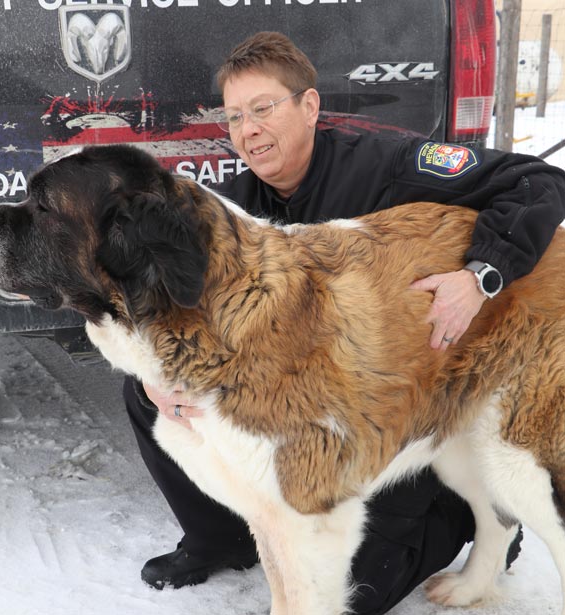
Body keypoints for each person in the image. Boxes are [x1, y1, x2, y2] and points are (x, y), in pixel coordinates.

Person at [123, 31, 565, 614]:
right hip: (325, 411)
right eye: (234, 117)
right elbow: (177, 313)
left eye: (263, 109)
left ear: (309, 107)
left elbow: (539, 183)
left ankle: (473, 514)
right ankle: (221, 538)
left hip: (421, 389)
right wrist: (160, 381)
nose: (248, 130)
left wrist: (482, 275)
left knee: (357, 590)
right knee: (144, 391)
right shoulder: (232, 211)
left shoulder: (395, 165)